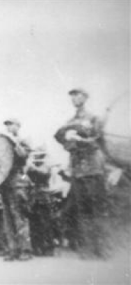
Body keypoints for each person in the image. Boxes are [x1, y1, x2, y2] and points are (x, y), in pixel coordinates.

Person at [54, 88, 109, 259]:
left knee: (96, 210)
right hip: (77, 172)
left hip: (93, 170)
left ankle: (101, 248)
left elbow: (100, 141)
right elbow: (62, 141)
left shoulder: (94, 119)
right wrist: (69, 142)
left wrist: (81, 140)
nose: (74, 99)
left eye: (77, 95)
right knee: (82, 211)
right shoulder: (69, 121)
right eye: (72, 96)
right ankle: (86, 248)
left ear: (85, 97)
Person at [1, 118, 33, 261]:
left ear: (18, 126)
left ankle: (25, 250)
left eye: (11, 125)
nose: (8, 127)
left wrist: (14, 142)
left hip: (17, 182)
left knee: (19, 217)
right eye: (7, 125)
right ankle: (13, 249)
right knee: (8, 219)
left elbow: (23, 156)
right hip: (5, 183)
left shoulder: (23, 141)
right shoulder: (3, 144)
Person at [26, 148, 55, 256]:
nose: (37, 158)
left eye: (39, 156)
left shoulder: (46, 166)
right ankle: (37, 247)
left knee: (45, 224)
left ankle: (48, 248)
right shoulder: (32, 168)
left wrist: (31, 167)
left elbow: (44, 174)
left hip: (44, 197)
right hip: (33, 198)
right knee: (34, 225)